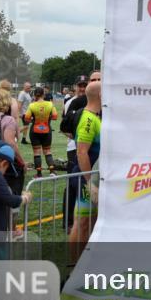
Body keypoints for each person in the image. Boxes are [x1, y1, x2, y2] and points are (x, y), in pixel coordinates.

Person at [69, 81, 101, 252]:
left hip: (92, 177)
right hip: (86, 178)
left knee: (91, 221)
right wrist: (90, 182)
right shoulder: (88, 118)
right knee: (82, 223)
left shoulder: (95, 116)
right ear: (101, 95)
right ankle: (73, 267)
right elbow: (82, 152)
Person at [61, 74, 91, 230]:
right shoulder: (70, 103)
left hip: (90, 150)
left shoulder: (97, 101)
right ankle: (68, 221)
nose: (82, 88)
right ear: (75, 87)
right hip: (74, 149)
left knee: (87, 184)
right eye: (80, 85)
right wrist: (79, 138)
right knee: (72, 185)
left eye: (85, 85)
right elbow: (64, 128)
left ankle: (86, 218)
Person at [24, 87, 58, 178]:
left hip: (35, 130)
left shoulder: (32, 105)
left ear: (35, 95)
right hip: (47, 130)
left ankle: (39, 174)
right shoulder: (50, 104)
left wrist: (33, 119)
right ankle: (52, 172)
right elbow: (55, 117)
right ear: (44, 94)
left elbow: (27, 118)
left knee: (36, 152)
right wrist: (47, 118)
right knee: (47, 151)